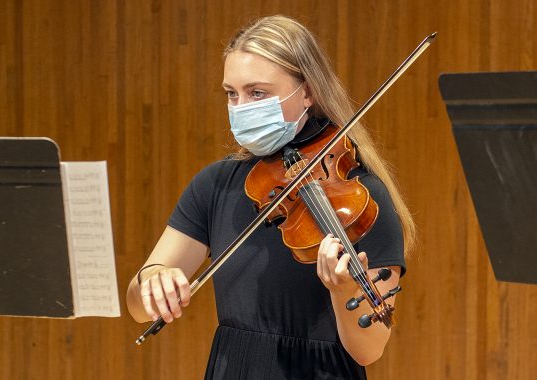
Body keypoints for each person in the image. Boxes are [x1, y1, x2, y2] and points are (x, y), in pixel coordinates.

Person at [126, 15, 416, 379]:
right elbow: (138, 308)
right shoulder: (216, 185)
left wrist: (343, 292)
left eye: (257, 93)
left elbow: (369, 350)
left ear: (308, 91)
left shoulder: (362, 199)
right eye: (232, 94)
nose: (242, 107)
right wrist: (153, 279)